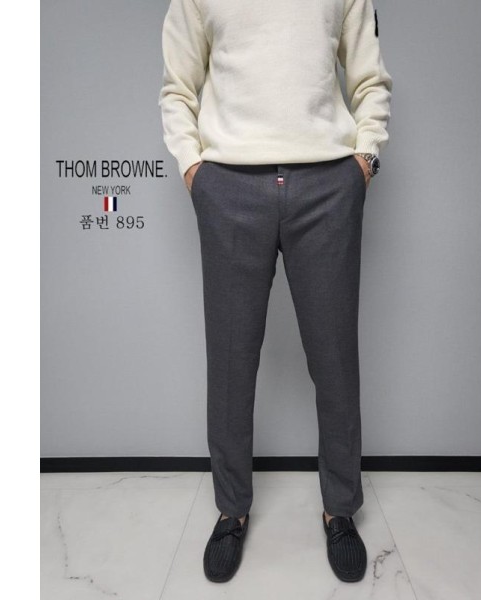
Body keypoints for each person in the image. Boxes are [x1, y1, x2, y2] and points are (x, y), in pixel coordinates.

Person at [158, 0, 392, 584]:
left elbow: (369, 78)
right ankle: (231, 510)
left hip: (328, 183)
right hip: (229, 185)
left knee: (334, 359)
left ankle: (340, 509)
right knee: (231, 361)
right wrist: (194, 168)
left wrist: (364, 159)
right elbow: (177, 87)